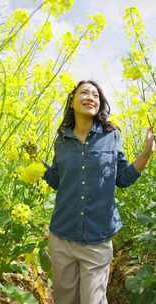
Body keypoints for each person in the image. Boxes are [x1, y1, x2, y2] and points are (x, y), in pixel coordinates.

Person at [42, 80, 154, 304]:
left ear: (99, 104)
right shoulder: (61, 141)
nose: (90, 97)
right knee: (64, 300)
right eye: (84, 92)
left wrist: (146, 154)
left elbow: (122, 178)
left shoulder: (111, 136)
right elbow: (57, 181)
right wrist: (36, 165)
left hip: (98, 238)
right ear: (72, 101)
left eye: (95, 95)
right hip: (62, 236)